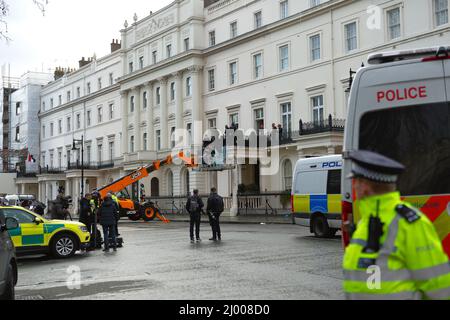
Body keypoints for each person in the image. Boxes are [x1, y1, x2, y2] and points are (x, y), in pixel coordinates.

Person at [343, 150, 450, 300]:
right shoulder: (365, 221)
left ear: (364, 185)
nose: (354, 187)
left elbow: (439, 288)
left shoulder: (411, 223)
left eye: (355, 181)